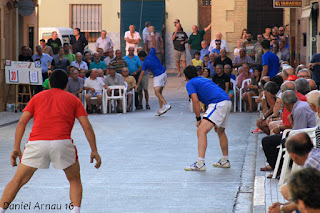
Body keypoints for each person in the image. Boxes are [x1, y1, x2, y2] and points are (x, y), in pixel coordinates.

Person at [0, 69, 101, 213]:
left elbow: (22, 122)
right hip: (62, 143)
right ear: (66, 85)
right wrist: (94, 150)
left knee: (17, 181)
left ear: (49, 83)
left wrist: (16, 147)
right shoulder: (74, 99)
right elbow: (87, 127)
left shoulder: (37, 97)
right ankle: (75, 211)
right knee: (74, 180)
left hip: (36, 143)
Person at [183, 65, 232, 171]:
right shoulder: (202, 79)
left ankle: (200, 163)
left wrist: (198, 119)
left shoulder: (190, 83)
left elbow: (195, 100)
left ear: (185, 76)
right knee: (220, 131)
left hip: (217, 103)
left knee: (201, 131)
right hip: (227, 101)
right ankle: (225, 160)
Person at [136, 38, 171, 116]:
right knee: (160, 93)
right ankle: (161, 109)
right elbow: (154, 43)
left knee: (157, 92)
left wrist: (138, 84)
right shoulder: (151, 53)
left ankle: (166, 105)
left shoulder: (144, 63)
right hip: (164, 74)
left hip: (158, 76)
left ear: (141, 57)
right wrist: (152, 34)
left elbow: (141, 74)